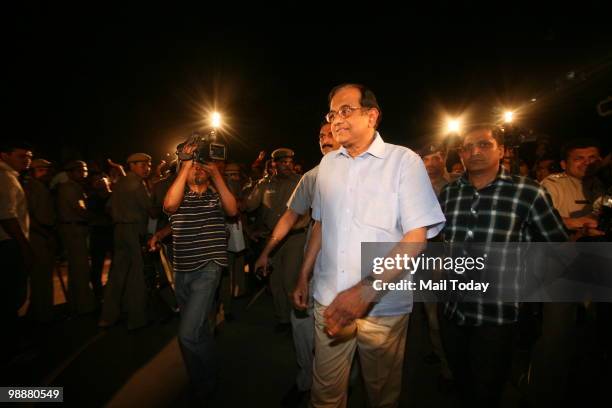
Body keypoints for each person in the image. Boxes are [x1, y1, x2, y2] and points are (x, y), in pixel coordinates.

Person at [294, 84, 445, 407]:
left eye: (346, 111)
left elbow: (416, 238)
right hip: (328, 299)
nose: (336, 120)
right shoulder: (328, 166)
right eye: (332, 114)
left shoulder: (403, 162)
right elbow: (320, 224)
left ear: (372, 115)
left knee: (381, 394)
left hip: (383, 306)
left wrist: (365, 292)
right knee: (325, 395)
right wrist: (304, 275)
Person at [438, 124, 568, 407]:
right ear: (460, 154)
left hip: (497, 316)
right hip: (452, 311)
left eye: (484, 144)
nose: (474, 152)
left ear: (502, 150)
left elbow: (556, 244)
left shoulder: (528, 192)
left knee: (488, 391)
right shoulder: (448, 194)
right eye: (467, 147)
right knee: (462, 385)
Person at [255, 122, 340, 406]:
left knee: (342, 335)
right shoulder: (311, 178)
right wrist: (266, 251)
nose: (325, 139)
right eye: (321, 136)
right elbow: (290, 217)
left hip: (349, 273)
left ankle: (341, 386)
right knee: (300, 322)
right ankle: (307, 379)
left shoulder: (366, 174)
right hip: (313, 267)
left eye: (331, 134)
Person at [157, 143, 237, 403]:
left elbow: (233, 210)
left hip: (208, 269)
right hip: (182, 270)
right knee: (199, 332)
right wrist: (185, 164)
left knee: (187, 333)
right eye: (193, 166)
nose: (197, 169)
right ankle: (203, 377)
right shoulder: (178, 196)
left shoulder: (216, 196)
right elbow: (169, 206)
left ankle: (206, 382)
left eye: (201, 166)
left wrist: (215, 174)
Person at [244, 148, 304, 332]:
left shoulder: (301, 182)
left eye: (289, 161)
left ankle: (298, 319)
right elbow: (248, 206)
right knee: (275, 282)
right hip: (272, 239)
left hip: (295, 238)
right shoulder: (264, 184)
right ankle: (283, 319)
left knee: (289, 280)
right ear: (274, 164)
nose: (287, 165)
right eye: (282, 162)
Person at [99, 153, 152, 330]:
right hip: (134, 229)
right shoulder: (137, 183)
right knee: (136, 275)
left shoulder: (120, 183)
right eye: (142, 164)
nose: (147, 168)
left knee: (117, 274)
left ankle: (108, 316)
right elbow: (150, 209)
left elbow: (108, 207)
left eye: (148, 164)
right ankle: (136, 320)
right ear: (132, 166)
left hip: (118, 229)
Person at [0, 141, 32, 362]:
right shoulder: (6, 178)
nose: (27, 160)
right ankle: (12, 349)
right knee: (12, 297)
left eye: (29, 156)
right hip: (8, 244)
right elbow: (7, 217)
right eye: (21, 156)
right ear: (5, 155)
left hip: (8, 243)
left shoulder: (10, 176)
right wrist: (24, 246)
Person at [56, 160, 96, 314]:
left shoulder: (74, 187)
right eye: (79, 170)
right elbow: (80, 210)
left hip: (75, 227)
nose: (83, 173)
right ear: (70, 172)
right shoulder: (69, 188)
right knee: (81, 269)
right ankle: (84, 305)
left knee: (76, 270)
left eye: (85, 170)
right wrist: (96, 217)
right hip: (74, 229)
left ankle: (76, 303)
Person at [25, 158, 56, 322]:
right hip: (38, 235)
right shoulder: (31, 187)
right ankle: (41, 315)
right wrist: (46, 234)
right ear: (32, 171)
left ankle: (43, 312)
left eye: (47, 169)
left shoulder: (43, 187)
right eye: (41, 170)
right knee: (40, 278)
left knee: (45, 277)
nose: (46, 173)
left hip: (45, 233)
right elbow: (29, 215)